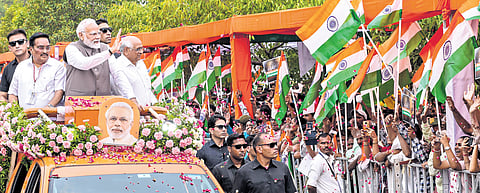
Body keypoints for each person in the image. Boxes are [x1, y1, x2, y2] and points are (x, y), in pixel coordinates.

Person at [64, 18, 138, 106]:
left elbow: (117, 74)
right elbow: (84, 64)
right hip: (77, 104)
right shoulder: (71, 48)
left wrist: (131, 97)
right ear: (81, 35)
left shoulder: (105, 48)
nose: (98, 37)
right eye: (93, 34)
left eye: (99, 33)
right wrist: (109, 52)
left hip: (103, 103)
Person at [8, 32, 65, 108]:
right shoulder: (21, 66)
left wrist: (47, 110)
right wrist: (16, 111)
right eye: (41, 48)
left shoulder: (58, 67)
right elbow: (12, 93)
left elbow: (59, 92)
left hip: (49, 117)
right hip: (24, 117)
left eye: (47, 48)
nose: (45, 51)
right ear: (31, 49)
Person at [113, 36, 157, 106]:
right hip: (131, 112)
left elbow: (147, 89)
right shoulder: (118, 66)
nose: (141, 52)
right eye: (138, 49)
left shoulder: (141, 64)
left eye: (142, 48)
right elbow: (126, 91)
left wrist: (156, 105)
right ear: (126, 50)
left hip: (148, 111)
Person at [0, 29, 30, 101]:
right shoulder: (7, 69)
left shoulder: (39, 63)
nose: (17, 46)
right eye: (13, 44)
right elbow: (3, 95)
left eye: (20, 42)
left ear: (28, 43)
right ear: (10, 48)